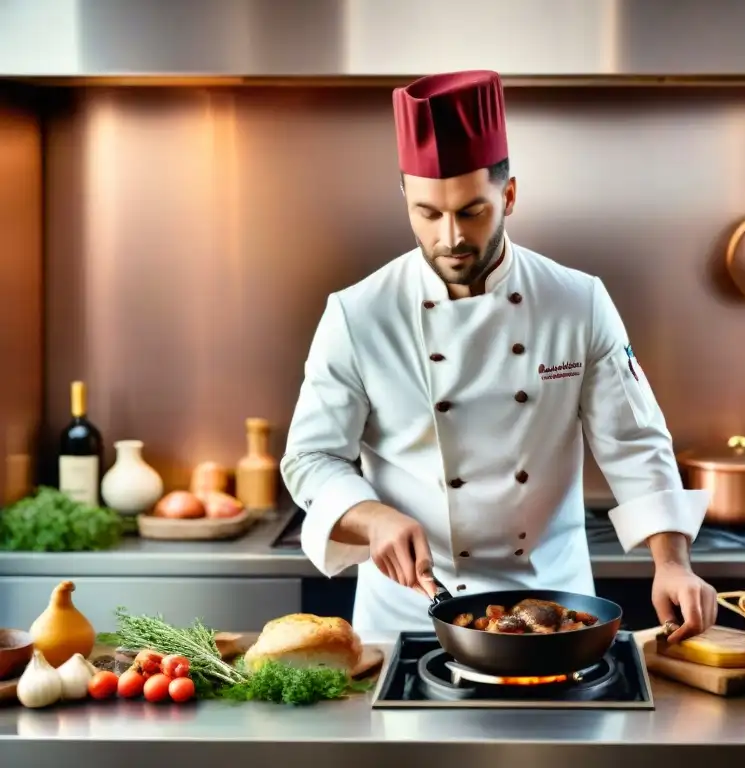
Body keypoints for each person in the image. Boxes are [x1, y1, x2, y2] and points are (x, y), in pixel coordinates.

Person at [281, 69, 716, 642]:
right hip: (410, 608)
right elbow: (310, 457)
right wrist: (372, 516)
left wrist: (672, 562)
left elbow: (634, 442)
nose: (450, 237)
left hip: (555, 609)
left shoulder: (577, 301)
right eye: (428, 213)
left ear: (508, 195)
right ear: (405, 199)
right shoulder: (358, 314)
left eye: (471, 211)